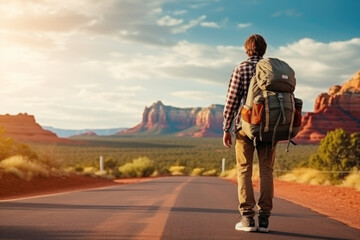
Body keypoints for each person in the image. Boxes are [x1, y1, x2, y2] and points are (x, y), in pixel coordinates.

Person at [222, 34, 277, 233]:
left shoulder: (241, 68)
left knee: (244, 169)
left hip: (245, 126)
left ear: (247, 49)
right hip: (270, 127)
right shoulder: (272, 70)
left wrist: (226, 128)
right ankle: (264, 220)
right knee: (267, 171)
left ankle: (247, 219)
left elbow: (231, 102)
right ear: (264, 50)